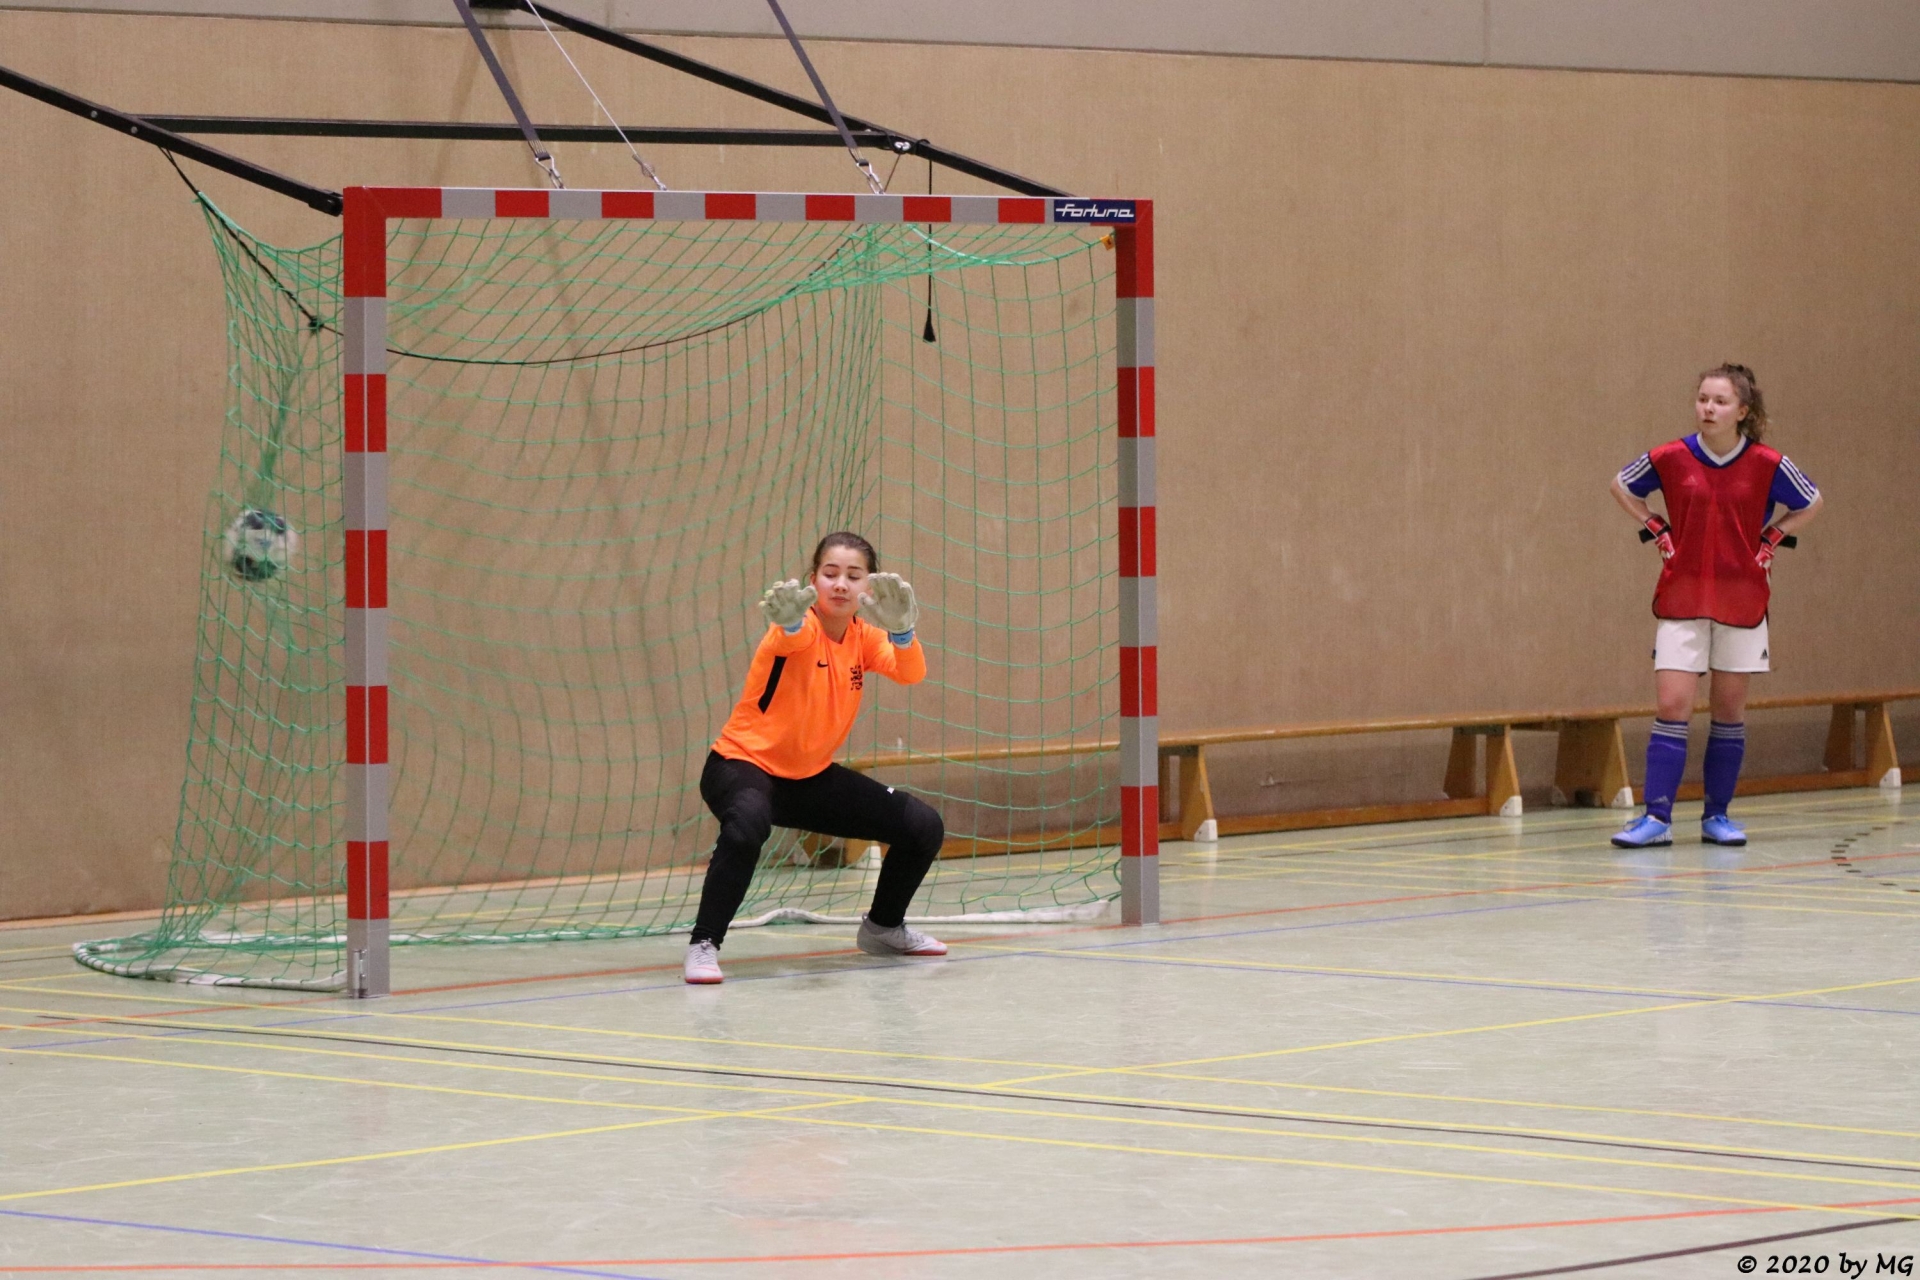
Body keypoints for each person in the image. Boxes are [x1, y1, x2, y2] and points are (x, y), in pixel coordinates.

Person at [683, 531, 948, 984]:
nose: (840, 584)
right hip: (741, 765)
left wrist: (903, 632)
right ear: (813, 581)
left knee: (922, 826)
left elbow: (910, 673)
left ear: (868, 587)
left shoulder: (863, 638)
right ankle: (704, 943)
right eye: (830, 573)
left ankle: (883, 928)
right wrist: (788, 625)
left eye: (853, 575)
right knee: (747, 825)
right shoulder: (797, 626)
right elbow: (795, 639)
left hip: (808, 779)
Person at [1608, 364, 1824, 848]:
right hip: (1682, 598)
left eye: (1720, 401)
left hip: (1742, 602)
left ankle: (1717, 816)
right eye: (1703, 399)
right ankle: (1656, 819)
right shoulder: (1670, 456)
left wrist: (1773, 537)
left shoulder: (1768, 463)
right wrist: (1656, 526)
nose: (1708, 408)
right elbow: (1621, 485)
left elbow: (1811, 502)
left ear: (1742, 411)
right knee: (1672, 705)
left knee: (1728, 711)